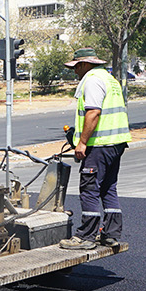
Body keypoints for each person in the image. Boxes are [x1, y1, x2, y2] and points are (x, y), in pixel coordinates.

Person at [61, 48, 131, 252]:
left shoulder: (91, 80)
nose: (75, 71)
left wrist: (82, 142)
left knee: (89, 188)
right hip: (116, 143)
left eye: (76, 67)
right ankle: (111, 234)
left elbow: (93, 113)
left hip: (99, 145)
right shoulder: (110, 79)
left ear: (84, 64)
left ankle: (86, 236)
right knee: (108, 187)